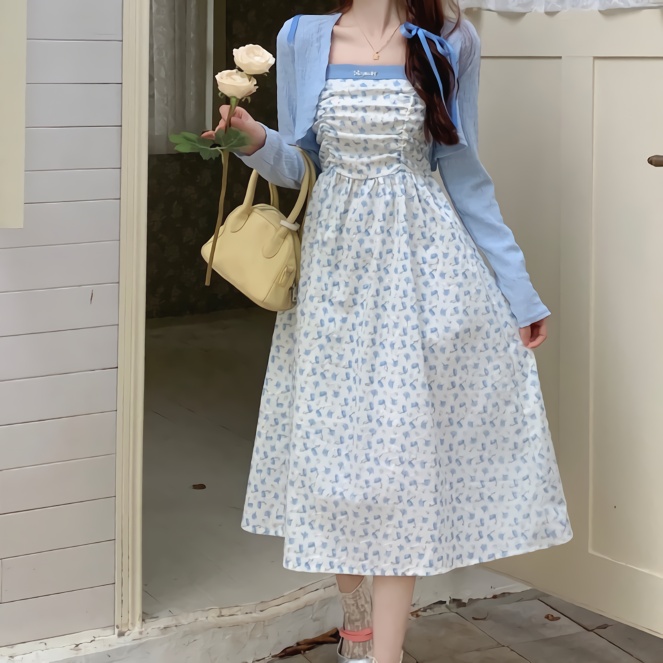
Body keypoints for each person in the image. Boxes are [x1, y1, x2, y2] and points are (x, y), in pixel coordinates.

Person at [204, 2, 572, 662]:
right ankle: (356, 623)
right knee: (335, 460)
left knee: (399, 465)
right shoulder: (301, 36)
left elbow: (463, 172)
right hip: (334, 278)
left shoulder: (451, 38)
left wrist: (518, 291)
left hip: (422, 272)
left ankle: (386, 654)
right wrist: (254, 138)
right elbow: (302, 166)